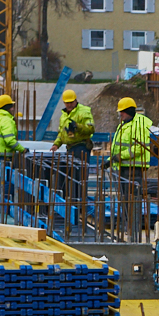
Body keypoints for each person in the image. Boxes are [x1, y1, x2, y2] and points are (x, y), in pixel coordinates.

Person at [104, 96, 155, 237]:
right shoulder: (124, 124)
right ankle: (129, 226)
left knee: (133, 199)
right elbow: (118, 148)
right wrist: (110, 160)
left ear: (129, 111)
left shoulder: (138, 125)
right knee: (126, 199)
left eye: (123, 112)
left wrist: (118, 157)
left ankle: (134, 228)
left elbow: (138, 148)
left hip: (134, 168)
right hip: (124, 167)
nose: (120, 114)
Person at [52, 90, 96, 219]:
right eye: (67, 103)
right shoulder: (64, 115)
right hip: (70, 149)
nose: (69, 105)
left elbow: (91, 128)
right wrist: (56, 144)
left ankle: (79, 208)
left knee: (79, 179)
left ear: (76, 100)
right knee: (68, 178)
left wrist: (77, 126)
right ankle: (69, 207)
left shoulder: (83, 111)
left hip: (81, 147)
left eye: (71, 102)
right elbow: (62, 133)